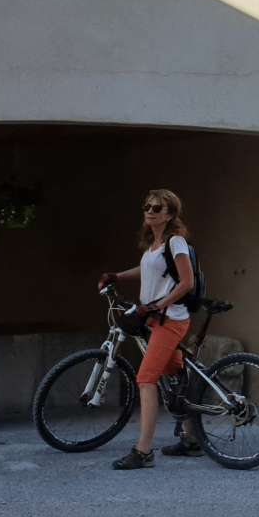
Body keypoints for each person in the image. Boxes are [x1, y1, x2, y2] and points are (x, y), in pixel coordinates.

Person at [99, 189, 201, 469]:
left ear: (170, 214)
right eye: (147, 207)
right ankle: (192, 439)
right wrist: (116, 276)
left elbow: (187, 282)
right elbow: (147, 270)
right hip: (156, 319)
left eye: (157, 208)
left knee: (146, 378)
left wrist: (158, 305)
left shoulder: (176, 242)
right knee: (177, 376)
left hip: (171, 319)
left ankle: (143, 452)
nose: (150, 212)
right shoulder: (154, 245)